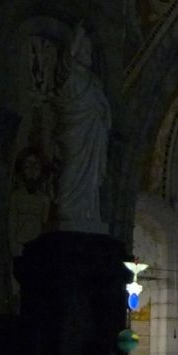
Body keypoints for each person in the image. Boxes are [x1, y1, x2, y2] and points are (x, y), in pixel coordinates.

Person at [53, 23, 111, 227]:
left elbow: (105, 110)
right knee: (73, 168)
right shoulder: (72, 77)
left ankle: (88, 213)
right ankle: (67, 209)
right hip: (75, 133)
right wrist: (77, 36)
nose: (89, 55)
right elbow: (64, 66)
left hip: (94, 136)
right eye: (84, 50)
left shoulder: (94, 82)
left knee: (91, 180)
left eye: (90, 51)